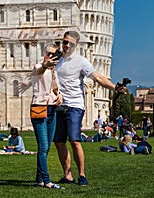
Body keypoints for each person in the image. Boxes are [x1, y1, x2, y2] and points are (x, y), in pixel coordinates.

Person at [41, 31, 126, 186]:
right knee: (59, 142)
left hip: (75, 105)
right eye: (65, 42)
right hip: (58, 105)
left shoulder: (81, 61)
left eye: (70, 43)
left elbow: (98, 77)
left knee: (74, 140)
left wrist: (115, 88)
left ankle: (82, 174)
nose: (67, 45)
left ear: (76, 45)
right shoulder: (56, 59)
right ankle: (68, 175)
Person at [30, 44, 63, 189]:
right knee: (43, 147)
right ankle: (47, 180)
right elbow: (40, 70)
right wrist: (45, 64)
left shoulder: (55, 72)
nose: (48, 56)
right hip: (39, 109)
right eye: (47, 53)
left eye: (52, 54)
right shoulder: (38, 67)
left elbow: (56, 89)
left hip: (52, 111)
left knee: (47, 147)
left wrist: (59, 95)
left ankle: (39, 179)